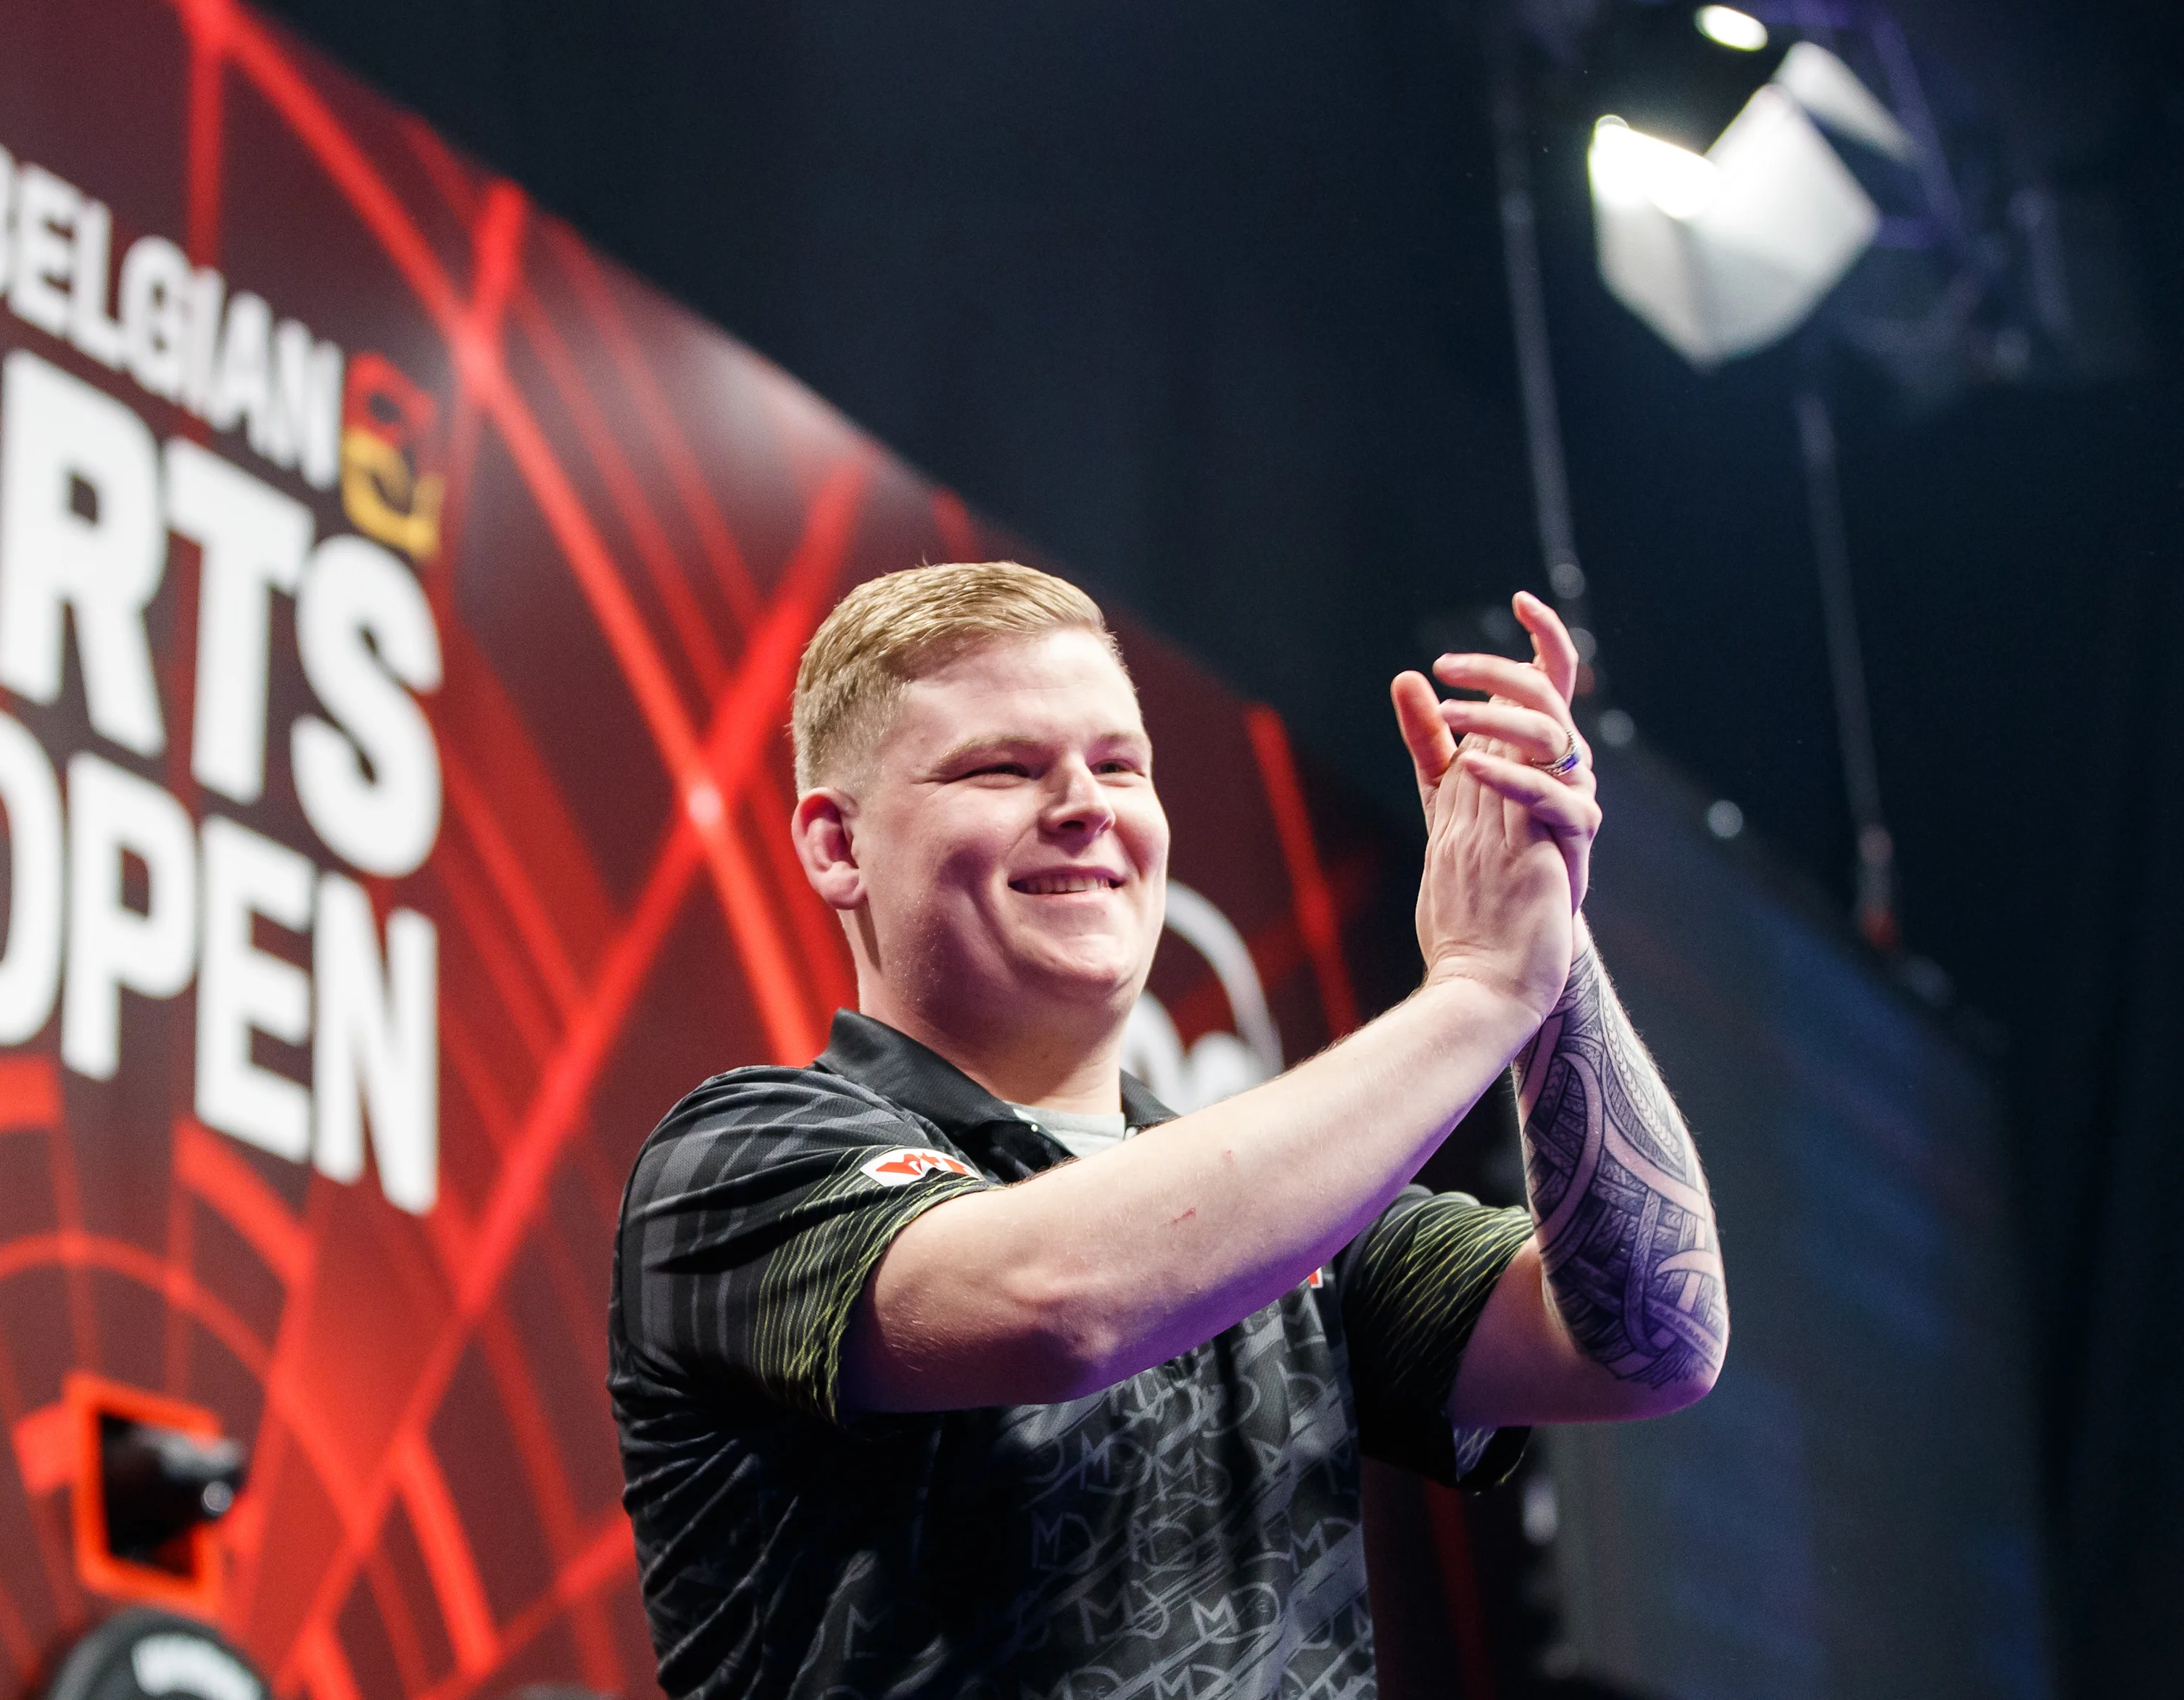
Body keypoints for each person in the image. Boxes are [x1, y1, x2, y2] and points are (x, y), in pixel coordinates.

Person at [609, 563, 1727, 1698]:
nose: (1086, 805)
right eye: (1004, 768)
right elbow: (1058, 1307)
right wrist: (1480, 992)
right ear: (837, 846)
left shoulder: (1310, 1228)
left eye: (1119, 765)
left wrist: (1546, 940)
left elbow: (1649, 1343)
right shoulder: (742, 1156)